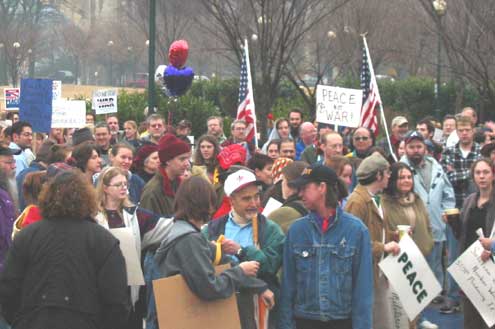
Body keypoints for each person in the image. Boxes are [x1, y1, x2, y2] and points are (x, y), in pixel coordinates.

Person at [0, 170, 130, 329]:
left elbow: (8, 290)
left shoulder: (27, 236)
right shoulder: (103, 240)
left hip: (34, 322)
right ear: (87, 199)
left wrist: (22, 321)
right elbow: (116, 299)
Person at [150, 176, 274, 329]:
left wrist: (259, 286)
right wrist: (241, 271)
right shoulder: (189, 239)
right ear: (203, 203)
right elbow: (209, 287)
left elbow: (224, 262)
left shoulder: (185, 232)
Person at [279, 164, 372, 329]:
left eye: (305, 188)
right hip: (304, 321)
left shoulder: (356, 230)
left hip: (342, 321)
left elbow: (363, 291)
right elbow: (288, 287)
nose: (300, 194)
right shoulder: (296, 230)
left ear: (322, 187)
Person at [203, 169, 284, 328]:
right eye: (246, 199)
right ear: (231, 200)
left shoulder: (270, 229)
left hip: (257, 303)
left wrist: (240, 251)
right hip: (222, 302)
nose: (254, 203)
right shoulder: (213, 228)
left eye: (256, 196)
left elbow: (269, 267)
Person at [95, 166, 173, 329]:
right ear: (105, 188)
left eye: (125, 184)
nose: (124, 187)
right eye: (118, 184)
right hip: (101, 285)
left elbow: (165, 226)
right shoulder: (93, 217)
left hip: (129, 287)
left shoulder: (135, 214)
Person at [400, 131, 455, 327]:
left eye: (419, 146)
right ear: (405, 148)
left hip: (436, 228)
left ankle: (423, 317)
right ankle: (414, 318)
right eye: (412, 146)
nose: (416, 150)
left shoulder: (436, 166)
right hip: (413, 231)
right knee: (413, 277)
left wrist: (446, 212)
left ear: (425, 148)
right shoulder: (400, 169)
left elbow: (448, 193)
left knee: (431, 273)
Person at [345, 152, 400, 329]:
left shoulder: (375, 199)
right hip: (365, 274)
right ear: (378, 175)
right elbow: (352, 242)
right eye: (388, 172)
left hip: (377, 270)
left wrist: (393, 235)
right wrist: (383, 247)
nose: (390, 176)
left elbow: (375, 231)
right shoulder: (358, 202)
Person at [381, 162, 434, 329]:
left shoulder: (417, 200)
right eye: (401, 177)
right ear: (393, 180)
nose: (406, 180)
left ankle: (417, 322)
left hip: (419, 257)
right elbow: (382, 230)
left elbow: (427, 224)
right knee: (398, 311)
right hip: (396, 260)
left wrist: (429, 241)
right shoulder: (384, 202)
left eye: (409, 177)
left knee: (415, 303)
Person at [457, 158, 495, 329]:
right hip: (471, 266)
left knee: (490, 319)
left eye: (486, 172)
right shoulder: (469, 200)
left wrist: (492, 247)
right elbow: (463, 236)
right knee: (471, 319)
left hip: (491, 267)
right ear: (473, 177)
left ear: (493, 175)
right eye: (478, 173)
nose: (482, 176)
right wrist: (452, 223)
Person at [140, 133, 191, 217]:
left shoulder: (179, 184)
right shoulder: (152, 191)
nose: (187, 164)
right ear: (167, 160)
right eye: (182, 159)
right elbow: (147, 226)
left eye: (187, 159)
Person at [267, 161, 307, 233]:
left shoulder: (282, 214)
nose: (281, 184)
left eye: (283, 180)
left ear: (291, 184)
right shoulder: (317, 206)